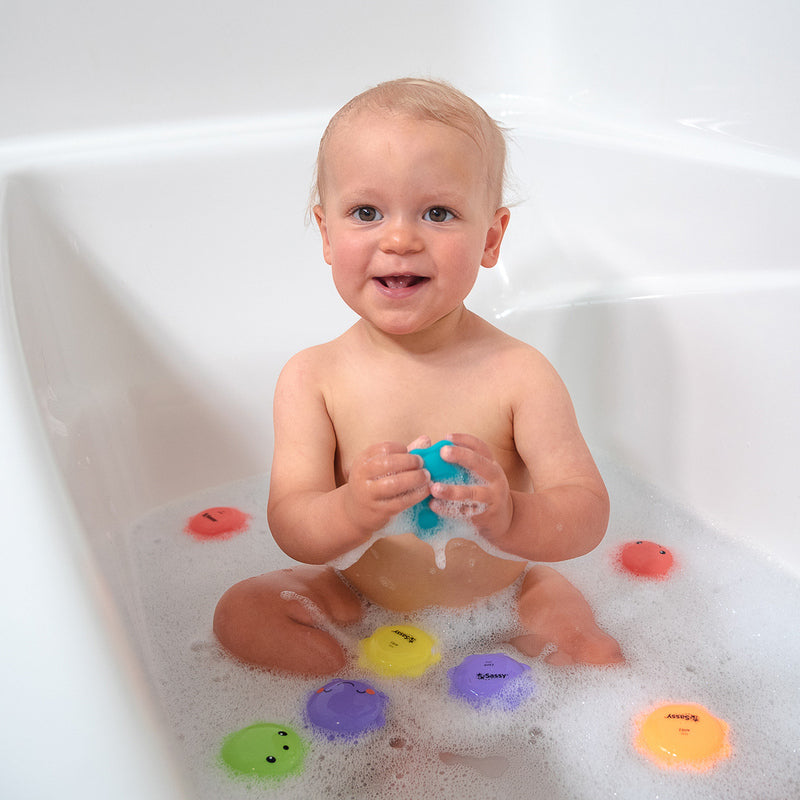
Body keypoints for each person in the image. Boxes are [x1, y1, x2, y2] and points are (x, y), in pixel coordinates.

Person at [213, 78, 623, 675]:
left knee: (588, 649)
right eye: (366, 212)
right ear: (327, 234)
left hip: (507, 598)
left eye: (438, 213)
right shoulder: (312, 379)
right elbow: (294, 527)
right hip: (360, 599)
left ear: (490, 237)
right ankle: (373, 705)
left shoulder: (520, 375)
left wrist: (510, 515)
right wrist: (353, 509)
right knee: (243, 613)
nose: (400, 239)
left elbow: (585, 512)